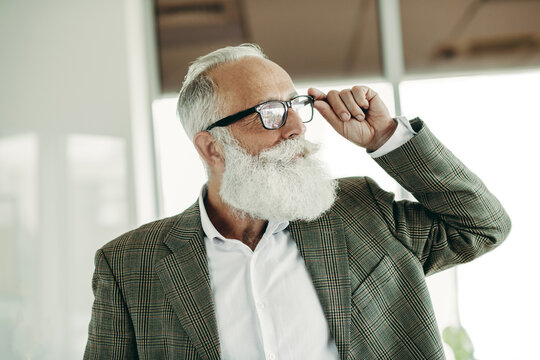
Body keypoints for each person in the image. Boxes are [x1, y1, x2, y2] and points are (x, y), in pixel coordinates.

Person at [84, 44, 511, 360]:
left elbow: (483, 226)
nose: (295, 129)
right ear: (212, 147)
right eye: (270, 113)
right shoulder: (128, 265)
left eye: (295, 106)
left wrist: (387, 140)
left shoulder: (361, 210)